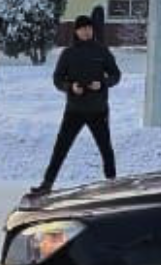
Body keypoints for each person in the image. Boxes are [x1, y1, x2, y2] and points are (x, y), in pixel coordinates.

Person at [33, 14, 120, 195]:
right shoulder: (68, 53)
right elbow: (57, 79)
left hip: (98, 109)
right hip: (75, 109)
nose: (87, 32)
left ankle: (112, 184)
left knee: (105, 148)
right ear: (76, 31)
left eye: (89, 28)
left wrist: (102, 83)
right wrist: (70, 87)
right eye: (83, 29)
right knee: (61, 147)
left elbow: (115, 75)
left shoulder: (102, 51)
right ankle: (47, 184)